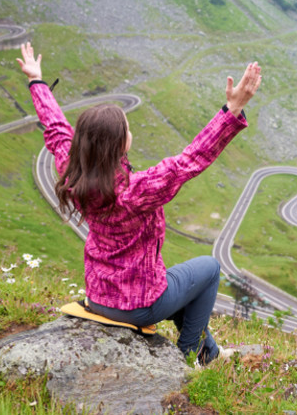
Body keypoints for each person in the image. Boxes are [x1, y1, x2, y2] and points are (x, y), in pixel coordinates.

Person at [17, 42, 261, 365]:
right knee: (209, 270)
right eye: (127, 128)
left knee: (182, 282)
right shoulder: (136, 191)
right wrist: (231, 111)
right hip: (139, 305)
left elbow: (57, 131)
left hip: (98, 298)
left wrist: (37, 82)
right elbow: (190, 160)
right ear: (120, 145)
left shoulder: (74, 175)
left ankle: (211, 352)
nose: (130, 130)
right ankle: (190, 357)